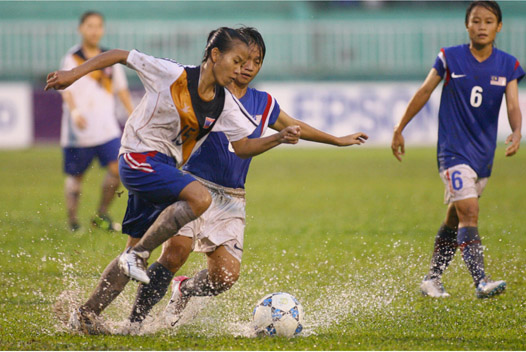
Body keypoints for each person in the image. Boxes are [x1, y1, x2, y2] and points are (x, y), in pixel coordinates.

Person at [45, 26, 301, 334]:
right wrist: (74, 74)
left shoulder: (224, 103)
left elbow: (243, 146)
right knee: (199, 198)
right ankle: (137, 257)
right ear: (215, 55)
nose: (240, 70)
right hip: (138, 156)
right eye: (236, 61)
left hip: (162, 169)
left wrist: (278, 138)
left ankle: (85, 315)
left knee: (135, 248)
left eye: (247, 63)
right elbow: (119, 56)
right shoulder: (172, 74)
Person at [123, 27, 368, 331]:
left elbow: (295, 126)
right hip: (193, 186)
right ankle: (134, 322)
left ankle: (183, 290)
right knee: (176, 252)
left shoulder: (262, 102)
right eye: (245, 59)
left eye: (258, 61)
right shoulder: (212, 92)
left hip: (232, 197)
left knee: (225, 277)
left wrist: (337, 139)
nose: (249, 66)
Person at [391, 0, 523, 299]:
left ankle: (432, 278)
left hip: (483, 156)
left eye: (488, 21)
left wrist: (516, 131)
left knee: (455, 216)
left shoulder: (509, 65)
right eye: (476, 21)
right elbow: (425, 91)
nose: (481, 27)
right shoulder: (449, 58)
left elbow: (513, 104)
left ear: (499, 26)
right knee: (470, 212)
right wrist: (400, 128)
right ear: (467, 25)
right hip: (453, 152)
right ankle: (481, 281)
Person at [60, 11, 134, 232]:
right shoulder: (72, 58)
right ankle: (73, 221)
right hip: (79, 131)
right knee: (76, 178)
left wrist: (133, 114)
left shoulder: (110, 58)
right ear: (81, 29)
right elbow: (66, 91)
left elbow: (121, 90)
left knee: (118, 170)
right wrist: (73, 112)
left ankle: (101, 214)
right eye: (90, 26)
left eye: (98, 26)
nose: (94, 30)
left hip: (106, 129)